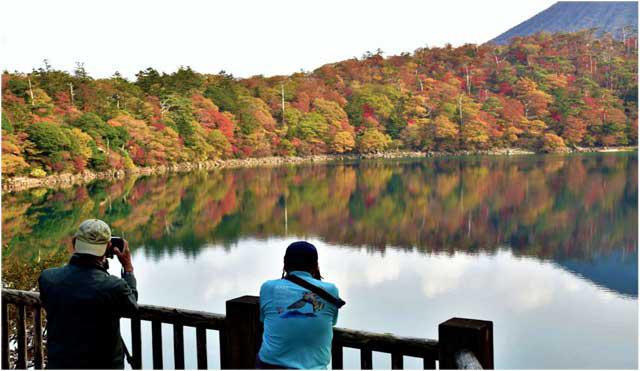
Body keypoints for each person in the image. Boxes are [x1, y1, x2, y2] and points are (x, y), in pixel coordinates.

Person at [38, 219, 138, 369]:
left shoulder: (48, 279)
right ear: (107, 248)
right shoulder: (113, 287)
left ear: (74, 243)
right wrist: (128, 269)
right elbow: (131, 306)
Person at [257, 241, 344, 369]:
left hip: (270, 365)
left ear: (285, 264)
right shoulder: (330, 291)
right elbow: (332, 322)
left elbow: (263, 319)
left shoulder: (268, 288)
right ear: (315, 266)